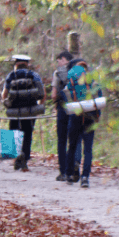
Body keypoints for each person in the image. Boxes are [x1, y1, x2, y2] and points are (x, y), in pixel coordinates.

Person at [63, 60, 102, 188]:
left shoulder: (70, 84)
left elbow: (65, 101)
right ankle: (85, 178)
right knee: (88, 150)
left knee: (72, 146)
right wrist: (97, 117)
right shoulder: (94, 83)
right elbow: (99, 100)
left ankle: (69, 175)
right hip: (90, 118)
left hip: (75, 117)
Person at [1, 55, 45, 170]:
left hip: (14, 110)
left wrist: (7, 104)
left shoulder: (11, 75)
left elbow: (4, 95)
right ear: (27, 64)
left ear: (16, 64)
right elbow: (42, 93)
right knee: (27, 134)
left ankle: (16, 158)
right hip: (30, 110)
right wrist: (38, 107)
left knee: (14, 133)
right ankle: (24, 159)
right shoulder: (34, 75)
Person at [51, 51, 82, 182]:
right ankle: (75, 162)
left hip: (63, 108)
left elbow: (53, 95)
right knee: (76, 138)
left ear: (64, 59)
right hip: (78, 108)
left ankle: (63, 172)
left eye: (59, 60)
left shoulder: (58, 73)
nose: (58, 63)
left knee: (62, 140)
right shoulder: (81, 71)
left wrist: (56, 102)